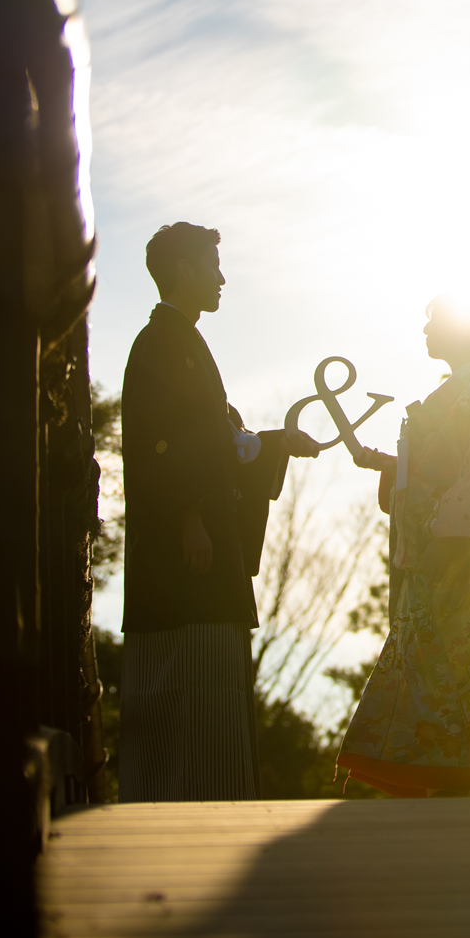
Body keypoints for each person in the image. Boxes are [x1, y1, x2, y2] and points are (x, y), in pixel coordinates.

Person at [119, 222, 319, 802]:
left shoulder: (181, 343)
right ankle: (173, 824)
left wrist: (277, 442)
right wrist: (189, 516)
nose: (222, 278)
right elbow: (165, 441)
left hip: (199, 550)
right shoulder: (160, 344)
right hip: (182, 558)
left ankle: (203, 815)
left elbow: (222, 442)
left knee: (203, 695)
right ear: (182, 269)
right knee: (180, 691)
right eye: (212, 265)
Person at [338, 293, 470, 797]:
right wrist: (395, 468)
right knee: (463, 675)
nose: (426, 332)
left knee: (463, 670)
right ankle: (467, 787)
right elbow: (455, 476)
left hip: (461, 560)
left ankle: (468, 789)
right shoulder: (463, 399)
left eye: (434, 323)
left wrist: (445, 540)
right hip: (451, 556)